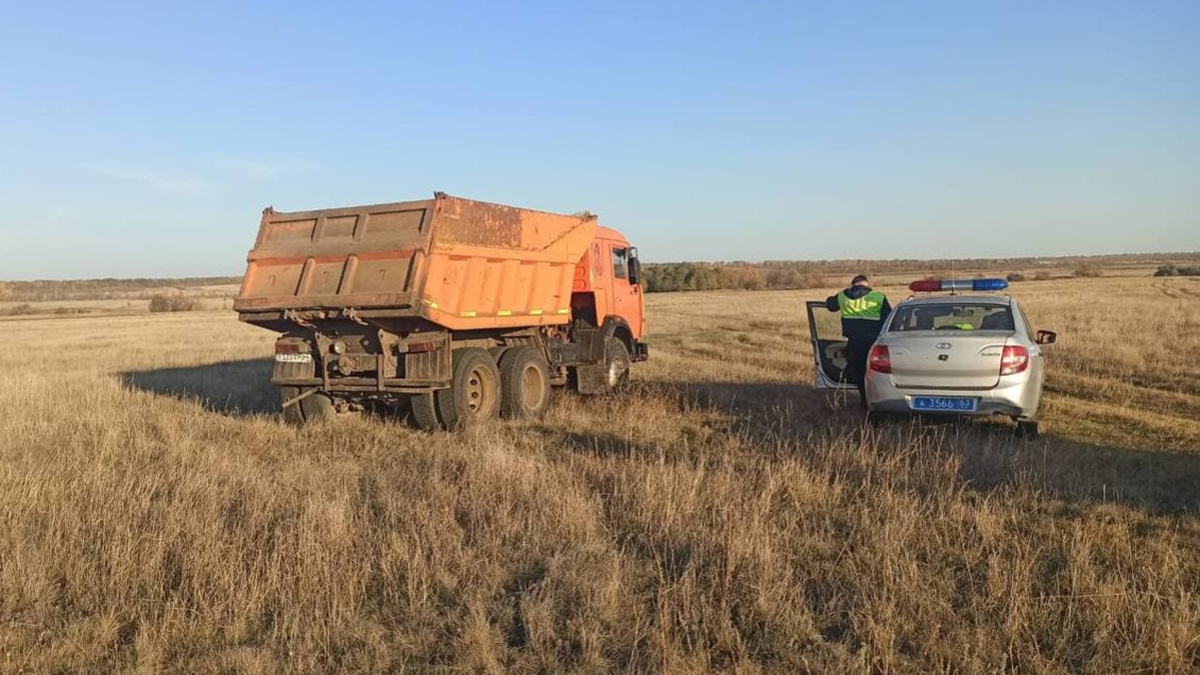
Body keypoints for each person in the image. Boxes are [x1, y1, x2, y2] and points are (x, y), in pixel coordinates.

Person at [825, 275, 891, 407]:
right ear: (866, 284)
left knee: (860, 371)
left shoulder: (842, 296)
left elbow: (831, 306)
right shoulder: (878, 296)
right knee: (876, 371)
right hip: (874, 341)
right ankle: (879, 399)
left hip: (854, 341)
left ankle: (864, 400)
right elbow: (888, 316)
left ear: (853, 284)